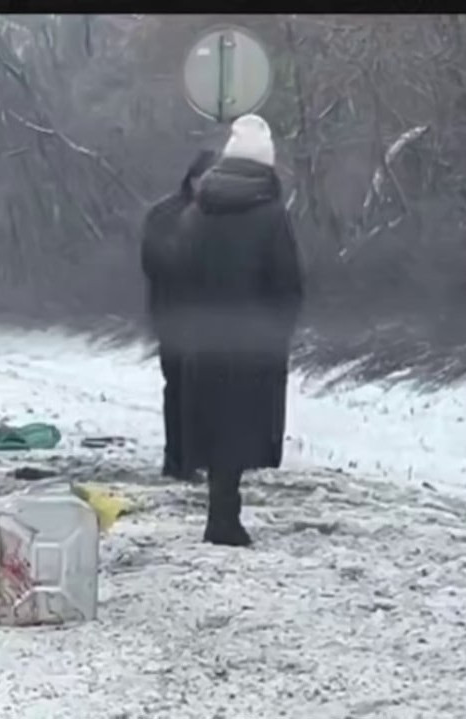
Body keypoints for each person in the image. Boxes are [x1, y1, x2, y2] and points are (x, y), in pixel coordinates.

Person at [176, 114, 304, 547]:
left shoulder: (198, 211)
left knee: (215, 422)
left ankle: (222, 512)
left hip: (203, 336)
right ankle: (224, 519)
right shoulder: (270, 215)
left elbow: (178, 272)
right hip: (251, 339)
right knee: (240, 422)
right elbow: (287, 282)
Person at [140, 149, 218, 481]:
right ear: (193, 178)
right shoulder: (166, 214)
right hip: (175, 314)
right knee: (180, 388)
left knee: (206, 390)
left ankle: (199, 456)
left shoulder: (220, 215)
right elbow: (154, 262)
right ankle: (178, 459)